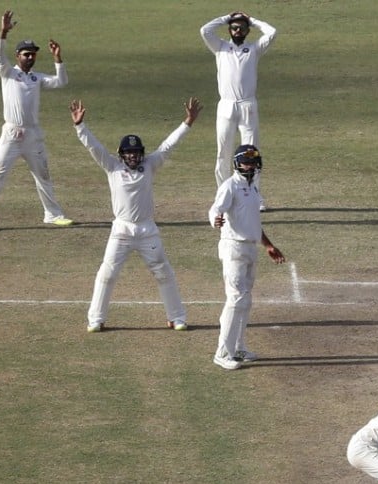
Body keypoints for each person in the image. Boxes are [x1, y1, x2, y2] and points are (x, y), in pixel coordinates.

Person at [71, 98, 202, 333]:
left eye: (136, 153)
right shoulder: (112, 166)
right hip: (121, 230)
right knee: (107, 274)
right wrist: (80, 127)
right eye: (129, 153)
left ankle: (177, 317)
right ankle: (96, 319)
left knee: (163, 272)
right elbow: (94, 147)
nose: (132, 157)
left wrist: (188, 122)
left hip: (147, 230)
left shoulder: (150, 164)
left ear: (141, 154)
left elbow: (167, 146)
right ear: (122, 154)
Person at [0, 11, 73, 233]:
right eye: (26, 54)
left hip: (33, 135)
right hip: (11, 135)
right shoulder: (8, 73)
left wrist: (57, 58)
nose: (30, 57)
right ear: (17, 55)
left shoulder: (36, 78)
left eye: (33, 55)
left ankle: (53, 215)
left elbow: (61, 82)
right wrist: (3, 33)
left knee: (43, 176)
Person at [209, 144, 286, 370]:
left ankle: (238, 347)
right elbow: (215, 209)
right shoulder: (230, 186)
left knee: (245, 300)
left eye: (253, 162)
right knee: (236, 299)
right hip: (233, 247)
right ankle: (222, 353)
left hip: (251, 247)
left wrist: (268, 246)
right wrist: (215, 220)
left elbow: (253, 223)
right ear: (237, 163)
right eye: (246, 161)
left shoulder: (253, 188)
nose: (250, 165)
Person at [200, 11, 277, 211]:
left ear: (247, 31)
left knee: (251, 152)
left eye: (242, 28)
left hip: (248, 105)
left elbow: (272, 32)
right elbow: (204, 30)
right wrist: (227, 17)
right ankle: (222, 195)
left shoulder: (253, 49)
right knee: (223, 152)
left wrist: (252, 20)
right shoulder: (220, 47)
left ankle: (255, 196)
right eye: (234, 27)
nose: (238, 30)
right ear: (229, 29)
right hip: (226, 105)